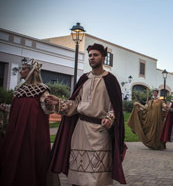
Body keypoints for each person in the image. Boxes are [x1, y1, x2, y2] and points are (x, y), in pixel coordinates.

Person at [46, 43, 126, 185]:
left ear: (103, 57)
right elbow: (75, 105)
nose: (92, 58)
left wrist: (109, 119)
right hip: (80, 131)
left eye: (95, 55)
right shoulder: (84, 79)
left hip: (100, 132)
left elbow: (115, 108)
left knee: (97, 176)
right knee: (78, 173)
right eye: (90, 55)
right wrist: (59, 102)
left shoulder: (110, 80)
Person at [0, 59, 51, 186]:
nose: (21, 71)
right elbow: (14, 109)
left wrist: (49, 103)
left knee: (31, 158)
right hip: (16, 131)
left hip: (33, 132)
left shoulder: (42, 89)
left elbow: (47, 110)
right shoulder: (18, 89)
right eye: (21, 69)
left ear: (32, 71)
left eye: (24, 69)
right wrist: (2, 106)